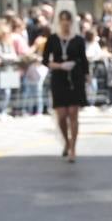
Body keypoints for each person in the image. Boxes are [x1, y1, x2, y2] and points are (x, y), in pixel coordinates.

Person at [43, 8, 88, 163]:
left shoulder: (78, 40)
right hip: (59, 77)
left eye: (68, 20)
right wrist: (58, 66)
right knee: (61, 115)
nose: (65, 23)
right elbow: (45, 60)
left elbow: (84, 59)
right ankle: (66, 141)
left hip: (74, 78)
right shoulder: (53, 39)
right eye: (62, 20)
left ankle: (73, 148)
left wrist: (85, 74)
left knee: (73, 113)